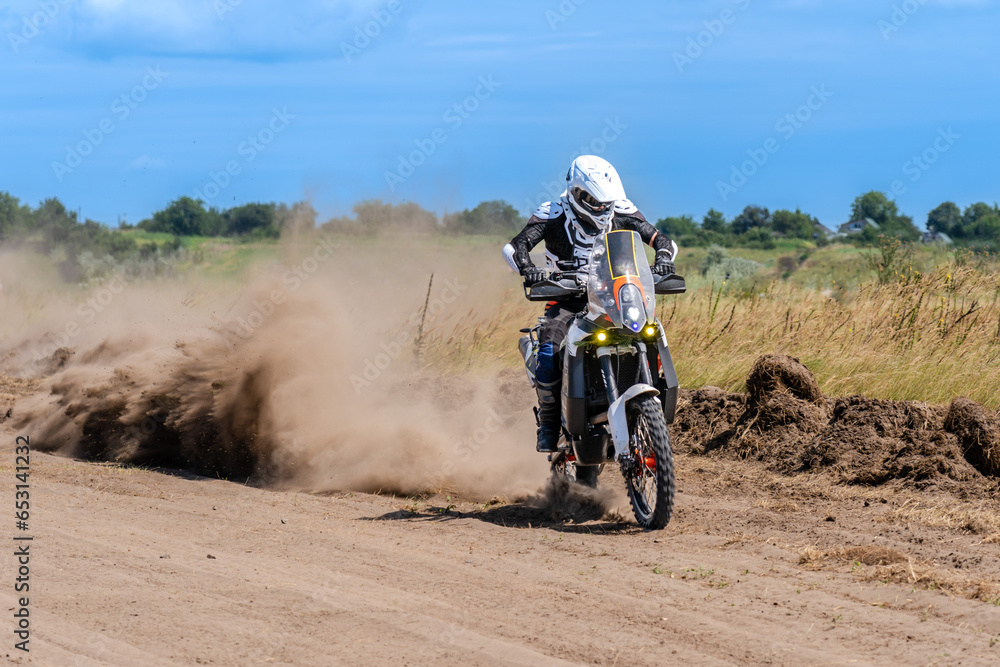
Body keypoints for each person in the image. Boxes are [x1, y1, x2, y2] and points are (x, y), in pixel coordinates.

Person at [502, 155, 677, 453]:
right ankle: (548, 425)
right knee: (548, 350)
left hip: (614, 295)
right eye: (593, 201)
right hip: (566, 298)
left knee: (649, 333)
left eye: (604, 202)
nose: (600, 208)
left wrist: (662, 260)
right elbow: (515, 246)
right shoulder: (552, 213)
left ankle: (652, 402)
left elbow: (662, 240)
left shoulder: (622, 210)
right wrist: (528, 268)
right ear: (575, 193)